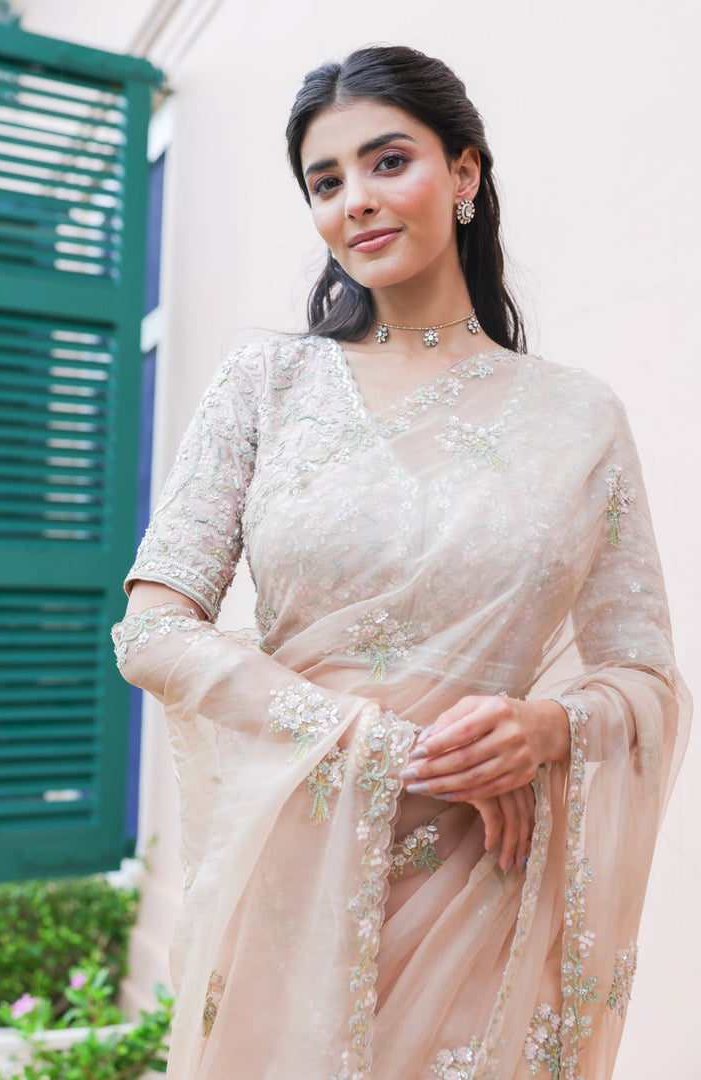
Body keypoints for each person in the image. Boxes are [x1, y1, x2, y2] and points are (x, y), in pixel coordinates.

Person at [111, 45, 690, 1080]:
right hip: (300, 868)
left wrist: (548, 726)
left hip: (486, 888)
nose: (356, 203)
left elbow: (644, 674)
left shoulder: (578, 417)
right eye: (325, 181)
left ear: (465, 175)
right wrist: (370, 743)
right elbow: (153, 628)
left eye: (388, 163)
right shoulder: (268, 383)